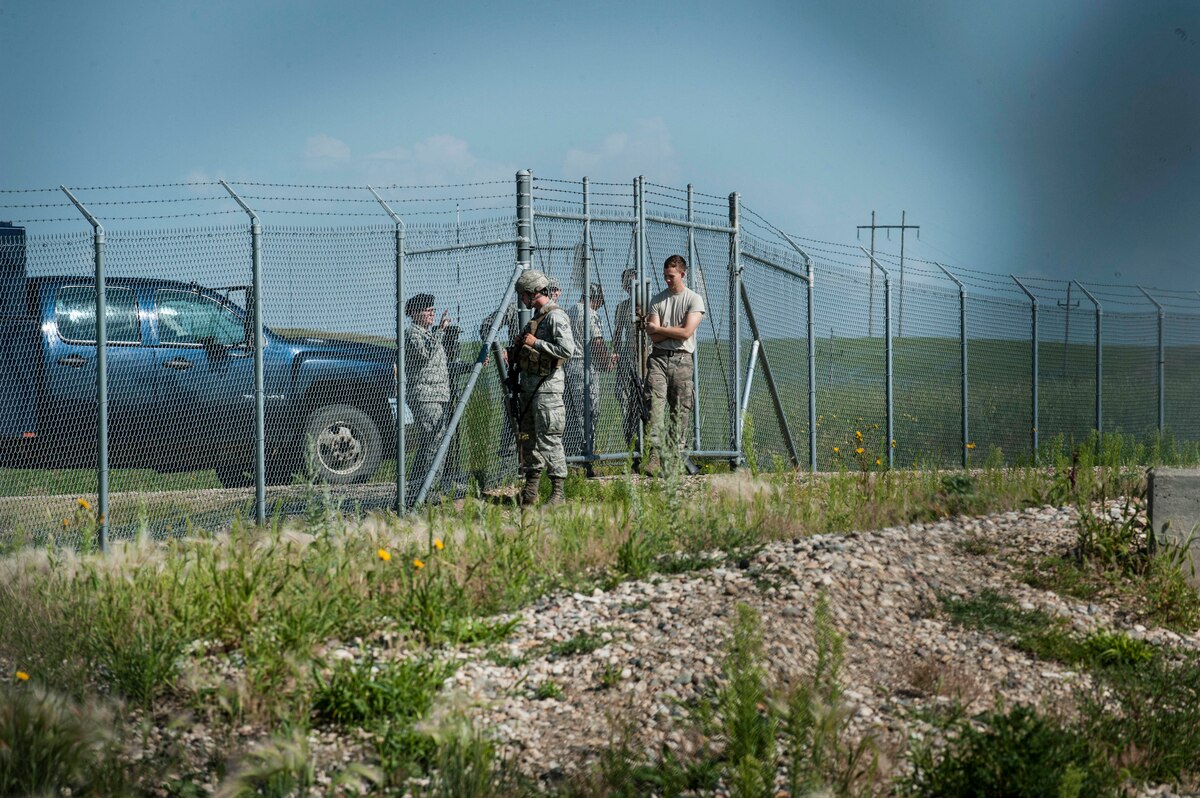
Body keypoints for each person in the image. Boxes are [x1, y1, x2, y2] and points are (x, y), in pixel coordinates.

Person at [511, 269, 575, 506]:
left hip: (547, 390)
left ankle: (558, 493)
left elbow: (567, 350)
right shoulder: (537, 318)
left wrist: (535, 342)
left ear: (532, 293)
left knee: (549, 439)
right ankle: (531, 489)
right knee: (528, 438)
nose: (522, 300)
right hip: (529, 390)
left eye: (523, 296)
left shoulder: (556, 317)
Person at [643, 254, 705, 475]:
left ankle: (674, 457)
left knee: (680, 411)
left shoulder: (693, 299)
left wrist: (660, 329)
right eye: (665, 276)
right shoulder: (658, 300)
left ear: (682, 274)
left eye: (671, 276)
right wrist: (672, 329)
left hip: (682, 359)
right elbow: (654, 337)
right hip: (658, 358)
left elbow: (686, 332)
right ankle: (654, 457)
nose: (667, 280)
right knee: (655, 407)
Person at [404, 293, 451, 506]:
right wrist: (440, 331)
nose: (432, 313)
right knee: (435, 441)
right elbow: (424, 355)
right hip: (425, 396)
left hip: (438, 395)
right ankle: (426, 491)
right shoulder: (412, 334)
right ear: (414, 313)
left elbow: (440, 366)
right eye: (426, 310)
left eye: (432, 309)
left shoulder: (430, 335)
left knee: (431, 442)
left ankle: (419, 489)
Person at [565, 283, 617, 464]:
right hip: (584, 367)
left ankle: (570, 456)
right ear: (598, 300)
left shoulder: (569, 312)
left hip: (568, 367)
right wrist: (607, 363)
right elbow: (597, 342)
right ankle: (584, 456)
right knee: (589, 412)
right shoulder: (591, 314)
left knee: (572, 413)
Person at [610, 267, 642, 449]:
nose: (630, 286)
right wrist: (616, 353)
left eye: (633, 282)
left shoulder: (649, 304)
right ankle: (632, 443)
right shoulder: (622, 307)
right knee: (624, 398)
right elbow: (617, 334)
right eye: (627, 283)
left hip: (645, 358)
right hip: (627, 357)